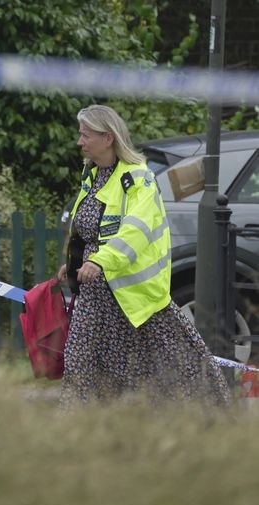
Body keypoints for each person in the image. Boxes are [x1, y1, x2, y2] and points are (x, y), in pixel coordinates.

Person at [57, 104, 230, 407]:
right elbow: (88, 231)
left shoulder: (139, 179)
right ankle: (77, 435)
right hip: (95, 299)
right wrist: (73, 265)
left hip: (136, 301)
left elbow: (135, 231)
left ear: (108, 138)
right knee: (79, 369)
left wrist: (100, 261)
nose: (79, 142)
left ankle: (209, 427)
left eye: (86, 135)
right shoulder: (93, 175)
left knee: (179, 375)